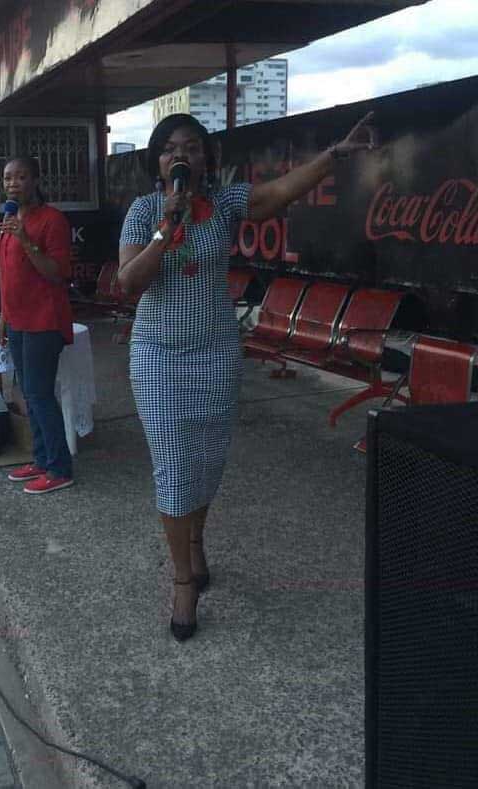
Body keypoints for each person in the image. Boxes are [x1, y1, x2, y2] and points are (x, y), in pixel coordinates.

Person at [117, 112, 377, 641]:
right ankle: (183, 579)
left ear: (207, 158)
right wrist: (167, 228)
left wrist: (334, 155)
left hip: (214, 354)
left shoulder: (228, 204)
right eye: (169, 148)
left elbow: (281, 192)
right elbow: (128, 282)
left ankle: (195, 540)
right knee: (172, 464)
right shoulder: (144, 211)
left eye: (190, 146)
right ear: (157, 161)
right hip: (158, 357)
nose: (180, 154)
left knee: (208, 460)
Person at [0, 157, 74, 495]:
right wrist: (3, 316)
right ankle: (41, 459)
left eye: (21, 177)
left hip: (44, 321)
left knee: (41, 395)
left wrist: (26, 239)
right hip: (17, 322)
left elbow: (57, 274)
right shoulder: (9, 221)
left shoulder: (52, 220)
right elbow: (7, 275)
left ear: (35, 180)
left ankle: (60, 468)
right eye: (8, 178)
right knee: (29, 394)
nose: (13, 183)